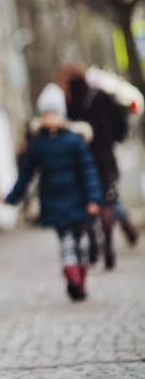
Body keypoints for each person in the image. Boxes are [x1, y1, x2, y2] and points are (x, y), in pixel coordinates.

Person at [4, 83, 102, 301]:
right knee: (65, 241)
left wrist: (93, 198)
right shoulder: (38, 144)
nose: (50, 118)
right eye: (46, 114)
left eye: (54, 113)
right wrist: (13, 196)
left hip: (78, 199)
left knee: (82, 242)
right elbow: (26, 173)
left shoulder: (75, 141)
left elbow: (88, 170)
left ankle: (80, 274)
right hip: (54, 201)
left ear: (62, 115)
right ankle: (72, 276)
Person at [57, 64, 134, 269]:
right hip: (104, 158)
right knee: (108, 201)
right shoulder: (100, 96)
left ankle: (92, 242)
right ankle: (108, 246)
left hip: (80, 160)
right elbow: (120, 124)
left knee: (88, 200)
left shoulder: (68, 102)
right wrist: (113, 140)